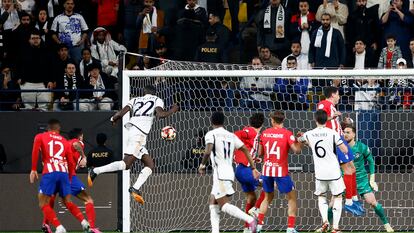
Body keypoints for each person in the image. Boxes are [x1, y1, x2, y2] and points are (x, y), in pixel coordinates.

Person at [88, 85, 179, 204]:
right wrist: (174, 109)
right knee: (126, 164)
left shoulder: (135, 99)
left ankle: (135, 188)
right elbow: (161, 115)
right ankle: (96, 171)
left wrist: (113, 119)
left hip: (132, 132)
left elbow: (120, 114)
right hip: (139, 135)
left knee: (150, 164)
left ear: (144, 92)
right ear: (155, 93)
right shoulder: (157, 99)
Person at [198, 111, 260, 233]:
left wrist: (202, 165)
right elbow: (245, 149)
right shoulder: (230, 135)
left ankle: (250, 220)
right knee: (213, 200)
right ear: (223, 122)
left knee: (223, 204)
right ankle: (215, 231)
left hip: (220, 173)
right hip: (229, 171)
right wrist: (253, 167)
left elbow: (208, 150)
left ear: (212, 121)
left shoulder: (211, 134)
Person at [30, 119, 89, 233]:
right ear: (59, 129)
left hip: (50, 172)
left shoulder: (40, 136)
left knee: (43, 202)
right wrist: (71, 176)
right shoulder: (64, 141)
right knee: (67, 201)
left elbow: (35, 151)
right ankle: (83, 222)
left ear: (48, 128)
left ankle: (58, 227)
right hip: (64, 173)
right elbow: (71, 162)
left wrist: (33, 169)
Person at [297, 110, 348, 233]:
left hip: (320, 172)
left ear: (315, 120)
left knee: (321, 196)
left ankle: (325, 221)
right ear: (327, 120)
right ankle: (335, 228)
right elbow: (345, 150)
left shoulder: (309, 134)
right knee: (338, 197)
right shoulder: (333, 133)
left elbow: (300, 139)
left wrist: (304, 139)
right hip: (334, 171)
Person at [42, 128, 101, 233]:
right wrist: (83, 156)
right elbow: (76, 145)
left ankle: (46, 224)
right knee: (88, 200)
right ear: (80, 136)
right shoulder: (77, 142)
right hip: (68, 176)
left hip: (54, 174)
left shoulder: (63, 144)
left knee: (53, 200)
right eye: (82, 136)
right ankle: (91, 227)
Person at [317, 86, 363, 216]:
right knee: (347, 170)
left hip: (340, 138)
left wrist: (343, 123)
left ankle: (353, 198)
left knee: (353, 168)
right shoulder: (323, 104)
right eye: (338, 95)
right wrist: (332, 116)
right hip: (334, 141)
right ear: (332, 94)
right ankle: (348, 203)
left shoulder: (331, 107)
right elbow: (320, 120)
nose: (339, 97)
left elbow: (331, 122)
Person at [256, 111, 303, 233]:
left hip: (266, 170)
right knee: (291, 198)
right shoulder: (287, 134)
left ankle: (259, 226)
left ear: (272, 120)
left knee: (267, 197)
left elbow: (260, 153)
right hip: (281, 172)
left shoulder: (265, 133)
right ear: (284, 119)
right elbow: (296, 151)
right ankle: (290, 228)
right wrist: (300, 141)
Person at [342, 124, 394, 232]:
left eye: (348, 132)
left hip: (361, 180)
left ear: (354, 134)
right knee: (333, 203)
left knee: (373, 202)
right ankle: (326, 225)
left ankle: (387, 225)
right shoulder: (340, 147)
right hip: (345, 181)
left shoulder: (362, 147)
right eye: (344, 132)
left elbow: (371, 161)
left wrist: (372, 178)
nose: (345, 134)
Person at [234, 113, 266, 233]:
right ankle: (257, 209)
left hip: (240, 171)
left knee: (252, 198)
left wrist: (255, 159)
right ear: (262, 124)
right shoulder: (250, 130)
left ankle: (247, 228)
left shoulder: (255, 135)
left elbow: (247, 148)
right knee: (271, 184)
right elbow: (237, 134)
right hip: (244, 170)